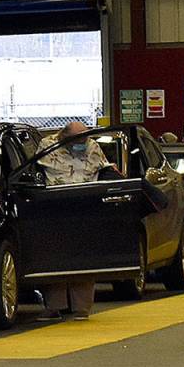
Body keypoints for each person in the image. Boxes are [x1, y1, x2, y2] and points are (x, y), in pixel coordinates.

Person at [36, 121, 114, 319]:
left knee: (84, 260)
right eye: (78, 139)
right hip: (56, 209)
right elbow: (38, 172)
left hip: (85, 209)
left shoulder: (92, 146)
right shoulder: (48, 145)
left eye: (85, 137)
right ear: (65, 136)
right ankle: (54, 306)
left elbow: (104, 169)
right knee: (56, 259)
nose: (82, 142)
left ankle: (82, 308)